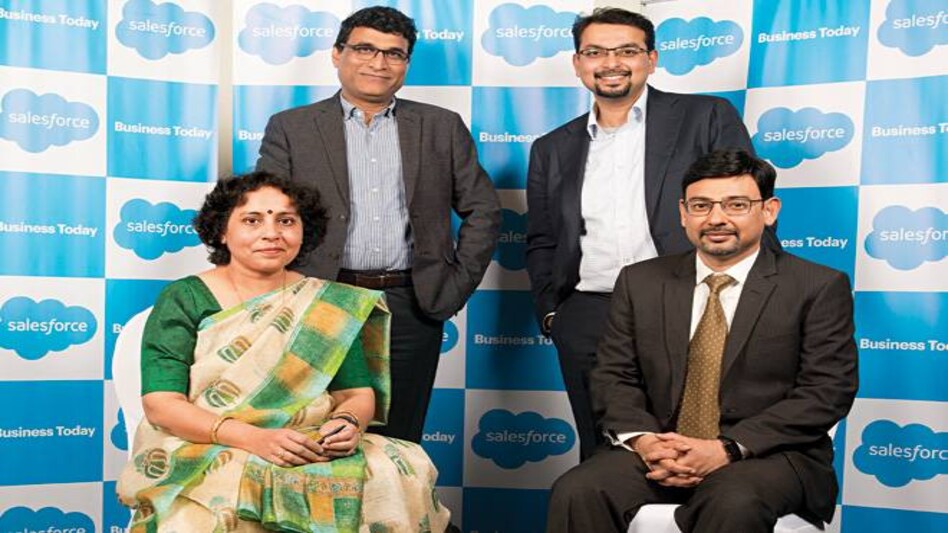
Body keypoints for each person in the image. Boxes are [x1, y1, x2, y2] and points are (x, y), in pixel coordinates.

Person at [117, 172, 450, 532]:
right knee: (233, 489)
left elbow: (356, 393)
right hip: (213, 441)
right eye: (252, 220)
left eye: (286, 220)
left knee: (397, 466)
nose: (272, 233)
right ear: (222, 231)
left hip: (309, 440)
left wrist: (348, 422)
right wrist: (253, 438)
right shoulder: (185, 297)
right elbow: (161, 404)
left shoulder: (328, 302)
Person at [546, 149, 857, 533]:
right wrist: (645, 442)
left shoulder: (817, 286)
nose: (716, 219)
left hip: (767, 455)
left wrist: (725, 449)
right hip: (662, 448)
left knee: (732, 501)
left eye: (736, 205)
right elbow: (613, 375)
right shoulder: (640, 281)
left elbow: (827, 392)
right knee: (578, 489)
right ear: (683, 213)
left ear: (769, 211)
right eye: (701, 205)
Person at [525, 7, 776, 460]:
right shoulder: (552, 147)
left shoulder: (706, 116)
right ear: (578, 62)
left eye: (627, 50)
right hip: (590, 314)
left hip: (694, 305)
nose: (611, 62)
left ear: (652, 59)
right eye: (595, 51)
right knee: (603, 456)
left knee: (697, 448)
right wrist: (553, 313)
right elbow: (542, 237)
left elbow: (744, 206)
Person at [256, 6, 500, 445]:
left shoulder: (440, 127)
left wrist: (453, 286)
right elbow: (269, 213)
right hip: (319, 300)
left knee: (400, 439)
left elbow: (484, 210)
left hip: (410, 304)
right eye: (365, 49)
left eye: (394, 54)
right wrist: (284, 290)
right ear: (337, 54)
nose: (379, 63)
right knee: (314, 433)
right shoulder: (292, 128)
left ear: (406, 63)